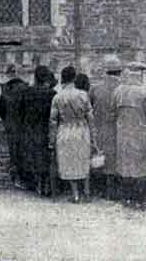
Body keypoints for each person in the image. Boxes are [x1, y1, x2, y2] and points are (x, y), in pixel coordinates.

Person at [49, 66, 98, 203]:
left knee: (69, 162)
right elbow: (91, 118)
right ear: (74, 78)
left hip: (65, 130)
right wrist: (94, 137)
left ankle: (75, 194)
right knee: (84, 160)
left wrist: (51, 141)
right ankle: (87, 192)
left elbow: (53, 121)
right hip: (82, 129)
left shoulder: (57, 97)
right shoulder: (83, 95)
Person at [112, 63, 146, 210]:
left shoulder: (118, 91)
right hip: (141, 133)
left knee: (125, 166)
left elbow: (113, 112)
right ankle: (141, 200)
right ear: (141, 74)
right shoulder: (145, 91)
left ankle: (127, 198)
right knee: (142, 167)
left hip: (122, 133)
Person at [88, 56, 123, 200]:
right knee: (116, 160)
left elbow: (88, 108)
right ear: (119, 72)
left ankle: (101, 191)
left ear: (105, 71)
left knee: (100, 158)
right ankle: (115, 191)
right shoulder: (123, 89)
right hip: (117, 130)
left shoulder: (95, 88)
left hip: (100, 128)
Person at [19, 66, 57, 196]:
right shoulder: (51, 93)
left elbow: (21, 112)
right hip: (45, 128)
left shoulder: (27, 92)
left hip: (31, 129)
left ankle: (37, 183)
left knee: (34, 156)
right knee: (46, 157)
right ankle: (46, 183)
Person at [0, 64, 29, 188]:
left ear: (7, 75)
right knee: (25, 152)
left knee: (14, 153)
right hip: (25, 126)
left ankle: (16, 179)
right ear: (17, 73)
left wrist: (7, 120)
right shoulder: (25, 88)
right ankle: (24, 179)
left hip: (11, 127)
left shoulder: (6, 90)